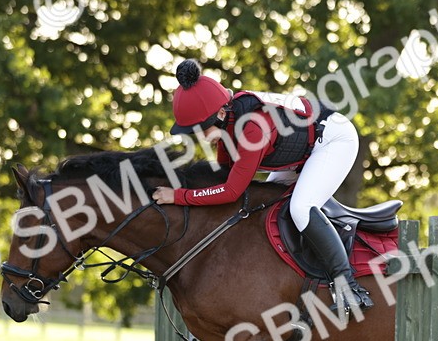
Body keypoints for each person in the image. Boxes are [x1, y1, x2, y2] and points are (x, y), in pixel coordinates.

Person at [152, 59, 373, 312]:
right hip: (304, 149)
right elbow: (224, 178)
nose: (200, 137)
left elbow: (231, 191)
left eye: (201, 129)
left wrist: (178, 196)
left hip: (334, 141)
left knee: (300, 208)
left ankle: (349, 288)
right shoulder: (230, 121)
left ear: (221, 114)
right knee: (265, 207)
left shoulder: (252, 129)